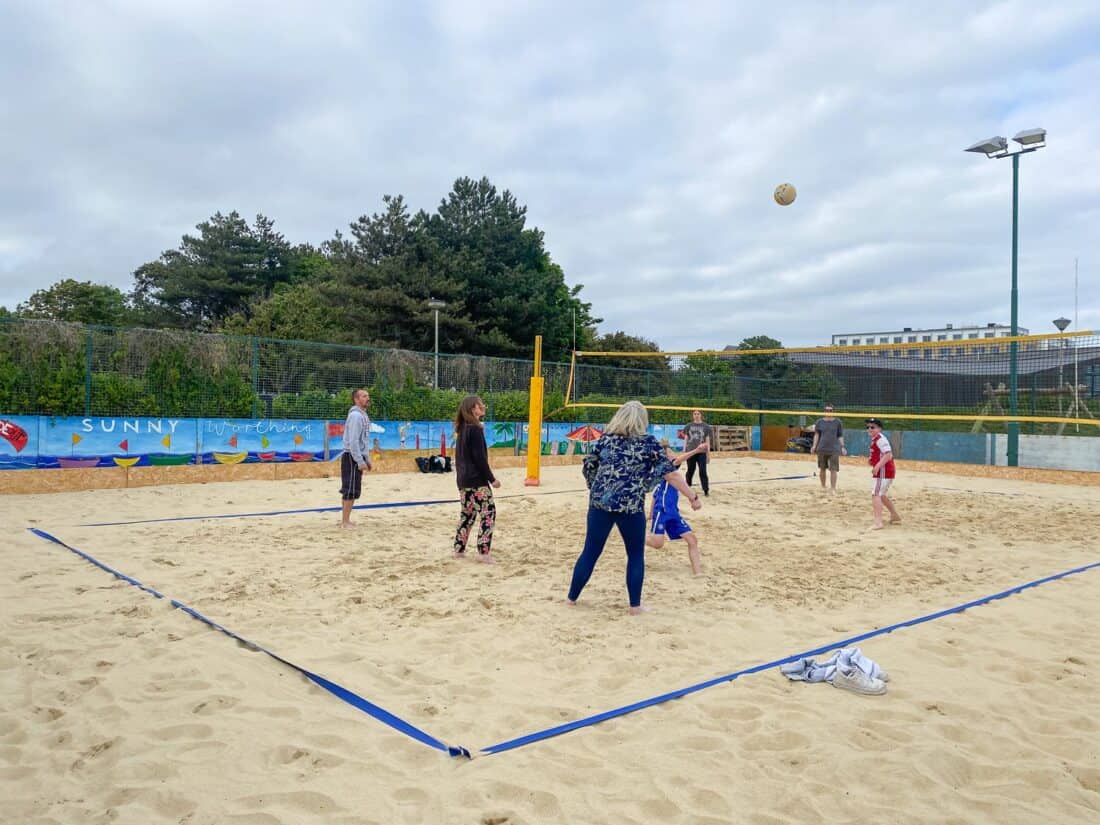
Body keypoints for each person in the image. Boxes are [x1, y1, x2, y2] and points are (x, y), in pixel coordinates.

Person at [568, 401, 702, 615]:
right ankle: (635, 606)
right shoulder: (648, 442)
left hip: (600, 504)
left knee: (590, 552)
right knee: (635, 554)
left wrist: (595, 487)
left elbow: (588, 465)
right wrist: (693, 497)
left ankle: (571, 599)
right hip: (630, 506)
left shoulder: (606, 439)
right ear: (642, 420)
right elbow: (671, 473)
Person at [453, 395, 501, 563]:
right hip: (476, 481)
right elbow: (480, 458)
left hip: (463, 480)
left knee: (467, 515)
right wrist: (492, 479)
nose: (484, 407)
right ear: (473, 408)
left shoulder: (462, 429)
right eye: (481, 405)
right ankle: (483, 552)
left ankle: (458, 550)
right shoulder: (475, 429)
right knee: (488, 513)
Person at [646, 444, 704, 575]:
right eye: (670, 453)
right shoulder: (666, 468)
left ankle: (698, 573)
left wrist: (649, 514)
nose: (673, 455)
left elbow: (655, 495)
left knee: (692, 539)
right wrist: (696, 450)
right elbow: (679, 460)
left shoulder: (670, 474)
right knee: (657, 543)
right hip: (662, 511)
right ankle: (636, 538)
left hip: (673, 513)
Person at [339, 389, 373, 529]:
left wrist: (367, 459)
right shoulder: (356, 416)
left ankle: (345, 520)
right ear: (356, 399)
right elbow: (353, 442)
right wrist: (359, 461)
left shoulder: (362, 415)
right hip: (351, 457)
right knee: (350, 489)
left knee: (351, 488)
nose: (367, 398)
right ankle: (345, 522)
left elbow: (363, 440)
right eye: (364, 396)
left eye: (367, 396)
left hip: (355, 456)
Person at [866, 418, 901, 530]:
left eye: (873, 427)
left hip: (884, 471)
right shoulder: (875, 439)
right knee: (880, 494)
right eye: (868, 427)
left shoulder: (880, 439)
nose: (869, 429)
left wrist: (877, 466)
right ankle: (895, 515)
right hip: (885, 471)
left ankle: (878, 522)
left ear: (879, 429)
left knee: (875, 494)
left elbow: (888, 455)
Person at [811, 403, 847, 494]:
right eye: (827, 410)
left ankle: (833, 488)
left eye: (830, 410)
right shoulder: (819, 422)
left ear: (833, 411)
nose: (828, 412)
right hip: (822, 448)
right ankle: (823, 486)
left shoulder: (838, 422)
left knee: (833, 469)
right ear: (824, 411)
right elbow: (817, 434)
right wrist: (814, 446)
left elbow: (840, 435)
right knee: (822, 468)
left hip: (834, 449)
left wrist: (842, 447)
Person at [681, 409, 713, 496]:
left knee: (703, 470)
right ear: (693, 415)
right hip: (690, 451)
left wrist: (708, 454)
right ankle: (688, 486)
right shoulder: (689, 426)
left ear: (701, 415)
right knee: (690, 470)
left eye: (698, 414)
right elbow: (686, 438)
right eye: (694, 414)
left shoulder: (706, 427)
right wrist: (684, 450)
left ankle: (706, 490)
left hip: (701, 452)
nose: (696, 415)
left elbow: (707, 441)